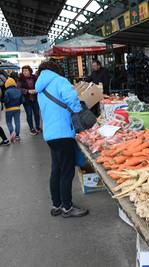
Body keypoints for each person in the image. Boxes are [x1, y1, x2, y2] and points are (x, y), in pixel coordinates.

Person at [35, 61, 89, 218]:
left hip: (50, 135)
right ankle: (67, 207)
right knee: (66, 172)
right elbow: (72, 100)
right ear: (56, 70)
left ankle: (57, 204)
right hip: (63, 133)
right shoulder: (59, 81)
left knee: (56, 171)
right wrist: (79, 111)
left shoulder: (40, 87)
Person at [17, 65, 41, 135]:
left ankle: (37, 127)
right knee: (29, 114)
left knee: (37, 113)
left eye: (26, 70)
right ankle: (32, 128)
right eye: (23, 71)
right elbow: (18, 88)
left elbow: (39, 85)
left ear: (30, 71)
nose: (25, 72)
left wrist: (36, 90)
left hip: (35, 98)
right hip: (26, 100)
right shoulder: (20, 79)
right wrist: (27, 91)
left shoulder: (35, 77)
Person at [2, 78, 23, 142]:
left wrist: (3, 101)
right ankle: (17, 136)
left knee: (9, 122)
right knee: (17, 121)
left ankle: (12, 132)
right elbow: (22, 100)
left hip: (9, 109)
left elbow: (6, 100)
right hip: (17, 108)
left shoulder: (7, 91)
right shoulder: (18, 90)